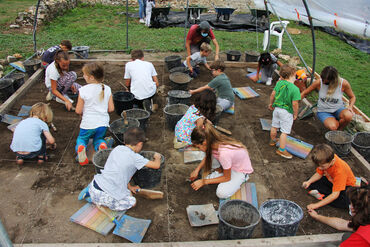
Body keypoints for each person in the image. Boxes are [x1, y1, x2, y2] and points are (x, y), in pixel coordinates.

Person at [78, 127, 161, 211]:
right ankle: (97, 201)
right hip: (104, 196)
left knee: (119, 185)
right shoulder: (135, 158)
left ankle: (89, 191)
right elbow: (156, 165)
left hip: (95, 184)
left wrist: (130, 186)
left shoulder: (117, 149)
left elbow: (121, 171)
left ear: (125, 141)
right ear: (139, 144)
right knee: (132, 202)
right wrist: (157, 156)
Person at [189, 121, 253, 199]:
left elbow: (227, 178)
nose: (199, 149)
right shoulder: (213, 141)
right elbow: (208, 156)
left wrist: (204, 182)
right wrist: (197, 170)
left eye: (198, 147)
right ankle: (222, 170)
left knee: (221, 193)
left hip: (240, 170)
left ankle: (243, 178)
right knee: (208, 159)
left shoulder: (224, 153)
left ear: (205, 143)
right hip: (231, 163)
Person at [75, 62, 114, 166]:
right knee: (98, 139)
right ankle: (101, 146)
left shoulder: (83, 90)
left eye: (84, 75)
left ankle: (81, 148)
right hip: (102, 124)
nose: (83, 76)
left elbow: (78, 111)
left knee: (82, 139)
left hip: (88, 124)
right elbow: (111, 109)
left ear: (91, 77)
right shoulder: (107, 89)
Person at [302, 144, 357, 210]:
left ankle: (324, 196)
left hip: (346, 187)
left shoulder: (340, 171)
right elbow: (319, 174)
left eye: (322, 166)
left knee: (346, 202)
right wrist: (308, 182)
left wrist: (316, 205)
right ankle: (326, 195)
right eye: (318, 165)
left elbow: (335, 195)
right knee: (311, 181)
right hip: (332, 181)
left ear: (332, 161)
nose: (320, 168)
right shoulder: (326, 160)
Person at [301, 66, 356, 131]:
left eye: (326, 83)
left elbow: (352, 97)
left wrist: (350, 106)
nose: (323, 82)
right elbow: (304, 93)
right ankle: (335, 128)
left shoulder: (343, 83)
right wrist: (293, 102)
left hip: (338, 109)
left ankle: (340, 131)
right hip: (324, 111)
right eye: (322, 79)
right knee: (333, 127)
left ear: (334, 80)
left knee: (348, 116)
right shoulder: (319, 82)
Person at [269, 64, 301, 159]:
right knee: (284, 132)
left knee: (274, 126)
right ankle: (281, 150)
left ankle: (272, 140)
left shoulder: (279, 83)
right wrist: (295, 114)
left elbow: (272, 94)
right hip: (286, 112)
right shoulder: (295, 89)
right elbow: (295, 104)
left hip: (277, 110)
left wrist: (270, 104)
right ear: (291, 75)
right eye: (295, 75)